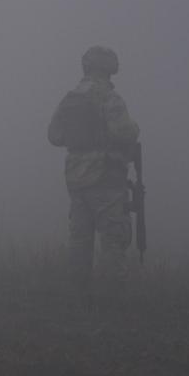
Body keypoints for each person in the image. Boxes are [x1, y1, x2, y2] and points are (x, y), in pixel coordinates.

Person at [47, 46, 140, 293]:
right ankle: (111, 300)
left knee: (80, 239)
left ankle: (78, 296)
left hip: (76, 179)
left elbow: (54, 135)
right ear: (108, 68)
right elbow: (125, 132)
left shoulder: (70, 98)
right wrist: (134, 128)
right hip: (106, 178)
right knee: (113, 240)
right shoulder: (109, 97)